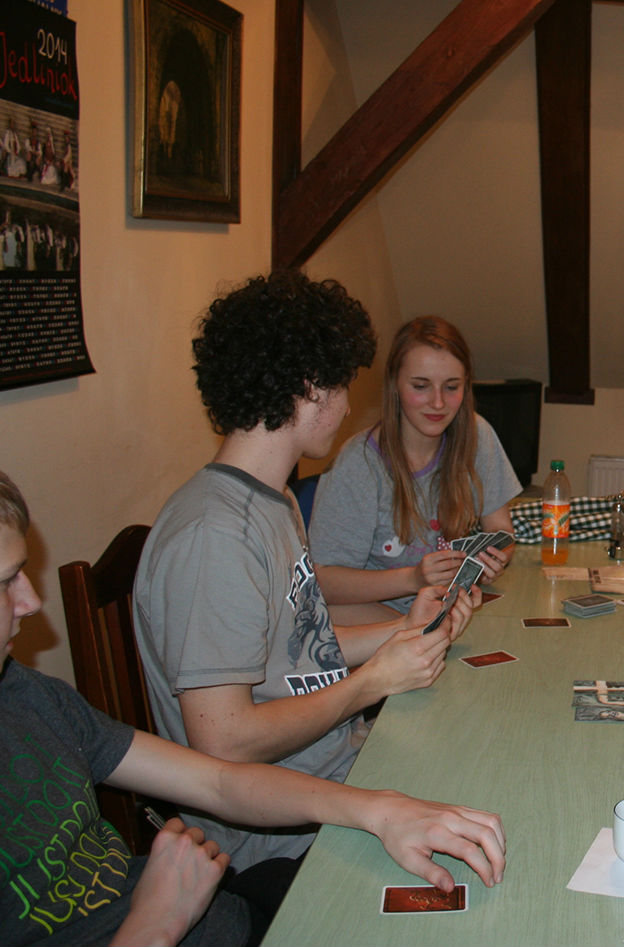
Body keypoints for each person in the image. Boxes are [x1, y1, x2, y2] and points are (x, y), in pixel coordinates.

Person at [0, 471, 505, 947]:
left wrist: (380, 809)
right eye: (5, 581)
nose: (31, 601)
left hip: (230, 912)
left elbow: (217, 781)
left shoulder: (28, 695)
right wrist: (153, 925)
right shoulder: (209, 531)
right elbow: (227, 742)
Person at [134, 272, 477, 872]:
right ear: (308, 387)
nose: (345, 406)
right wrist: (372, 682)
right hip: (273, 839)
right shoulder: (215, 537)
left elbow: (298, 649)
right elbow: (225, 741)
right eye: (341, 385)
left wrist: (406, 631)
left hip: (339, 768)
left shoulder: (277, 499)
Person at [309, 316, 521, 624]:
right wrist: (413, 579)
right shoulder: (358, 464)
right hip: (378, 617)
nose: (438, 403)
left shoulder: (478, 435)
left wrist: (494, 559)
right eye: (421, 386)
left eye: (452, 387)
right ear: (394, 384)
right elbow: (324, 583)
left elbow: (502, 531)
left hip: (452, 609)